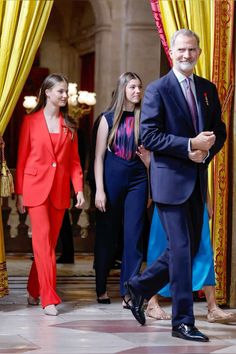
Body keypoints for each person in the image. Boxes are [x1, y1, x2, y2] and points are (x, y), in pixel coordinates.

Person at [125, 29, 226, 342]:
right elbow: (150, 136)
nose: (187, 55)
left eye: (192, 50)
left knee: (187, 248)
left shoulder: (208, 89)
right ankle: (183, 322)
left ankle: (138, 287)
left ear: (198, 52)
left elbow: (219, 130)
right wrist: (188, 146)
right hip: (169, 182)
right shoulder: (158, 90)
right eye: (181, 49)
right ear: (172, 51)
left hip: (196, 180)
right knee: (181, 251)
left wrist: (205, 151)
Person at [15, 73, 85, 316]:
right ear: (47, 93)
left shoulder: (71, 125)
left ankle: (33, 288)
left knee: (48, 246)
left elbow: (75, 163)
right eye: (61, 91)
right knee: (42, 245)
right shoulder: (30, 122)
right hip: (35, 190)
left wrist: (78, 189)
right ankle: (48, 298)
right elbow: (22, 160)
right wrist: (20, 193)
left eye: (67, 91)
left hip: (58, 192)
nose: (66, 95)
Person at [94, 72, 149, 305]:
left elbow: (150, 156)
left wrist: (150, 185)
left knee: (134, 236)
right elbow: (98, 158)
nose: (137, 91)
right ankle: (101, 287)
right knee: (107, 234)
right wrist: (99, 190)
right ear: (123, 89)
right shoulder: (107, 118)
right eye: (132, 87)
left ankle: (129, 292)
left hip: (139, 178)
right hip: (112, 177)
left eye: (139, 87)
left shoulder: (145, 119)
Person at [146, 197, 235, 323]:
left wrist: (207, 199)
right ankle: (152, 303)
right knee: (161, 243)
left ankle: (212, 307)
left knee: (204, 246)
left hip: (195, 195)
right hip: (168, 191)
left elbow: (201, 175)